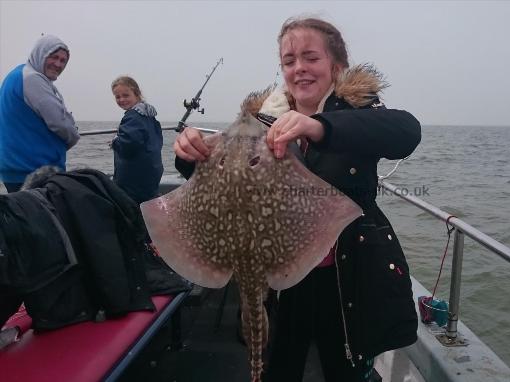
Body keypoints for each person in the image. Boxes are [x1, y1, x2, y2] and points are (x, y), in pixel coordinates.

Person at [173, 16, 420, 382]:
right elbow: (222, 179)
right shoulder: (259, 121)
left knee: (343, 368)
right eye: (289, 61)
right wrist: (188, 155)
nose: (299, 68)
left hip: (344, 276)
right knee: (280, 364)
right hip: (281, 274)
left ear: (336, 65)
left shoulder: (359, 111)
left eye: (310, 58)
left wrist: (320, 127)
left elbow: (406, 132)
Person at [0, 34, 79, 193]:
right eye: (54, 57)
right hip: (34, 172)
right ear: (40, 54)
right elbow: (59, 123)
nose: (58, 64)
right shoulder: (33, 79)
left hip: (15, 169)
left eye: (63, 61)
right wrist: (73, 136)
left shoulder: (17, 75)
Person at [110, 76, 163, 204]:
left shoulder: (133, 116)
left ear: (137, 94)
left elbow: (128, 145)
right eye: (118, 97)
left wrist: (115, 141)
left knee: (131, 209)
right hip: (150, 174)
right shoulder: (149, 115)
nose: (121, 99)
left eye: (126, 95)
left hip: (133, 181)